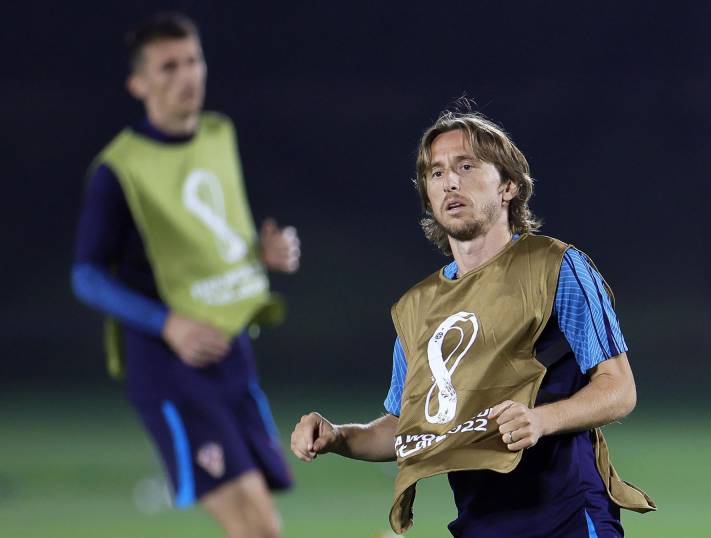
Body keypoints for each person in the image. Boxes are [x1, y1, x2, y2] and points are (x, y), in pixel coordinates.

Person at [291, 110, 655, 537]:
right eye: (436, 172)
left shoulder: (556, 267)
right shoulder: (417, 307)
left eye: (466, 166)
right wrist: (338, 437)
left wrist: (541, 420)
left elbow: (618, 388)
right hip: (479, 523)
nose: (450, 182)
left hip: (567, 514)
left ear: (508, 186)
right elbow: (404, 429)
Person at [72, 12, 298, 538]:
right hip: (169, 366)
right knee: (257, 527)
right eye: (168, 66)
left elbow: (209, 239)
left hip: (231, 354)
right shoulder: (119, 169)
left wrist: (260, 254)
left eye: (192, 60)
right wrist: (167, 323)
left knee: (264, 523)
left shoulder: (219, 134)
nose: (187, 76)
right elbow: (85, 275)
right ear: (139, 83)